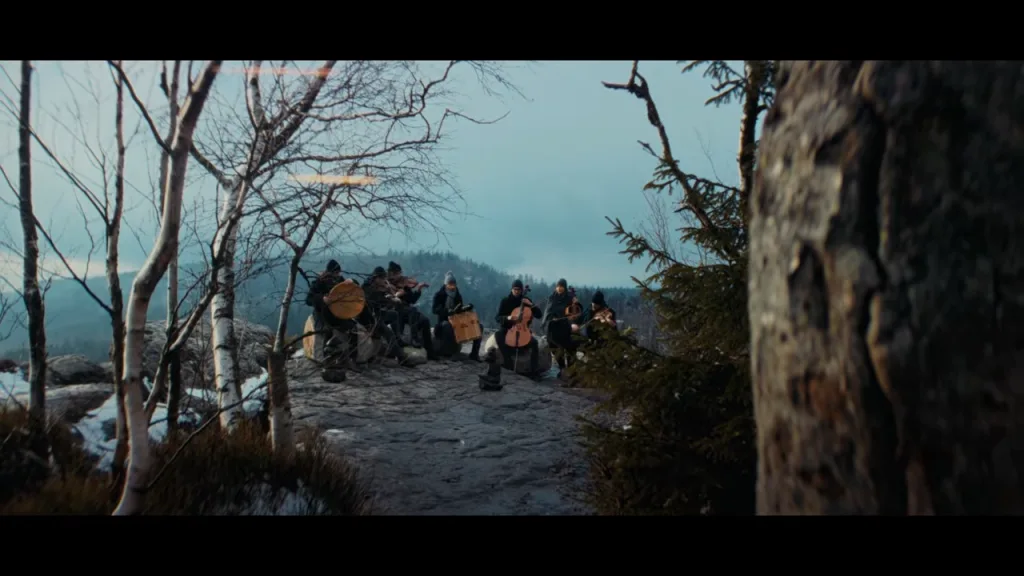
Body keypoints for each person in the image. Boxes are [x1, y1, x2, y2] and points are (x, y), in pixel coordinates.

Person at [304, 260, 359, 375]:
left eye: (338, 273)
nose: (337, 276)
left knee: (353, 328)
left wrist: (352, 282)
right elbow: (309, 300)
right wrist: (322, 299)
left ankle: (351, 359)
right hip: (323, 313)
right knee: (327, 331)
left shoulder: (341, 281)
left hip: (338, 313)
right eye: (335, 273)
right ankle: (326, 362)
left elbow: (355, 290)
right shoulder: (319, 282)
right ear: (329, 272)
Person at [360, 266, 416, 367]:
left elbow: (385, 301)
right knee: (388, 333)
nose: (384, 281)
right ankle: (402, 358)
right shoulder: (367, 288)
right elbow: (377, 299)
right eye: (382, 279)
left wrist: (390, 293)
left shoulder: (378, 287)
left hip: (377, 314)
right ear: (376, 278)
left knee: (394, 314)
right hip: (370, 318)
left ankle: (397, 340)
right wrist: (390, 298)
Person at [386, 261, 437, 359]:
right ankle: (414, 338)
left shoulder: (404, 284)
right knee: (412, 310)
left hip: (408, 311)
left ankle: (430, 351)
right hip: (397, 311)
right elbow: (387, 301)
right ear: (391, 273)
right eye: (396, 273)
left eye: (399, 273)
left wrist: (418, 289)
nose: (399, 275)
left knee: (425, 321)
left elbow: (412, 300)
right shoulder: (387, 285)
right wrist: (395, 295)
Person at [494, 279, 542, 379]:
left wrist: (531, 305)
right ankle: (508, 363)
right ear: (512, 289)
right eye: (515, 289)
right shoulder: (505, 301)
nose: (517, 291)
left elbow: (539, 315)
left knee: (534, 343)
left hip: (523, 329)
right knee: (498, 335)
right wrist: (508, 318)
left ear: (521, 290)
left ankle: (534, 371)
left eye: (519, 290)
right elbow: (497, 318)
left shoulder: (526, 300)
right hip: (508, 328)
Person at [431, 271, 482, 361]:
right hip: (444, 320)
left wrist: (466, 308)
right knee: (448, 326)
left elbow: (459, 309)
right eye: (450, 284)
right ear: (446, 284)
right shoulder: (439, 295)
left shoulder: (457, 295)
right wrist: (447, 311)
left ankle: (474, 353)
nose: (452, 287)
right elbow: (434, 310)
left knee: (479, 326)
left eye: (453, 284)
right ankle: (453, 352)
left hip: (457, 318)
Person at [543, 278, 578, 379]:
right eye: (558, 286)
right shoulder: (552, 297)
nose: (559, 288)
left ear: (565, 287)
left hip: (563, 326)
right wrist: (550, 317)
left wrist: (575, 303)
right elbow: (548, 310)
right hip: (552, 327)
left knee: (567, 347)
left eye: (561, 287)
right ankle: (562, 367)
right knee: (554, 347)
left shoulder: (569, 297)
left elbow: (575, 311)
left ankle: (571, 370)